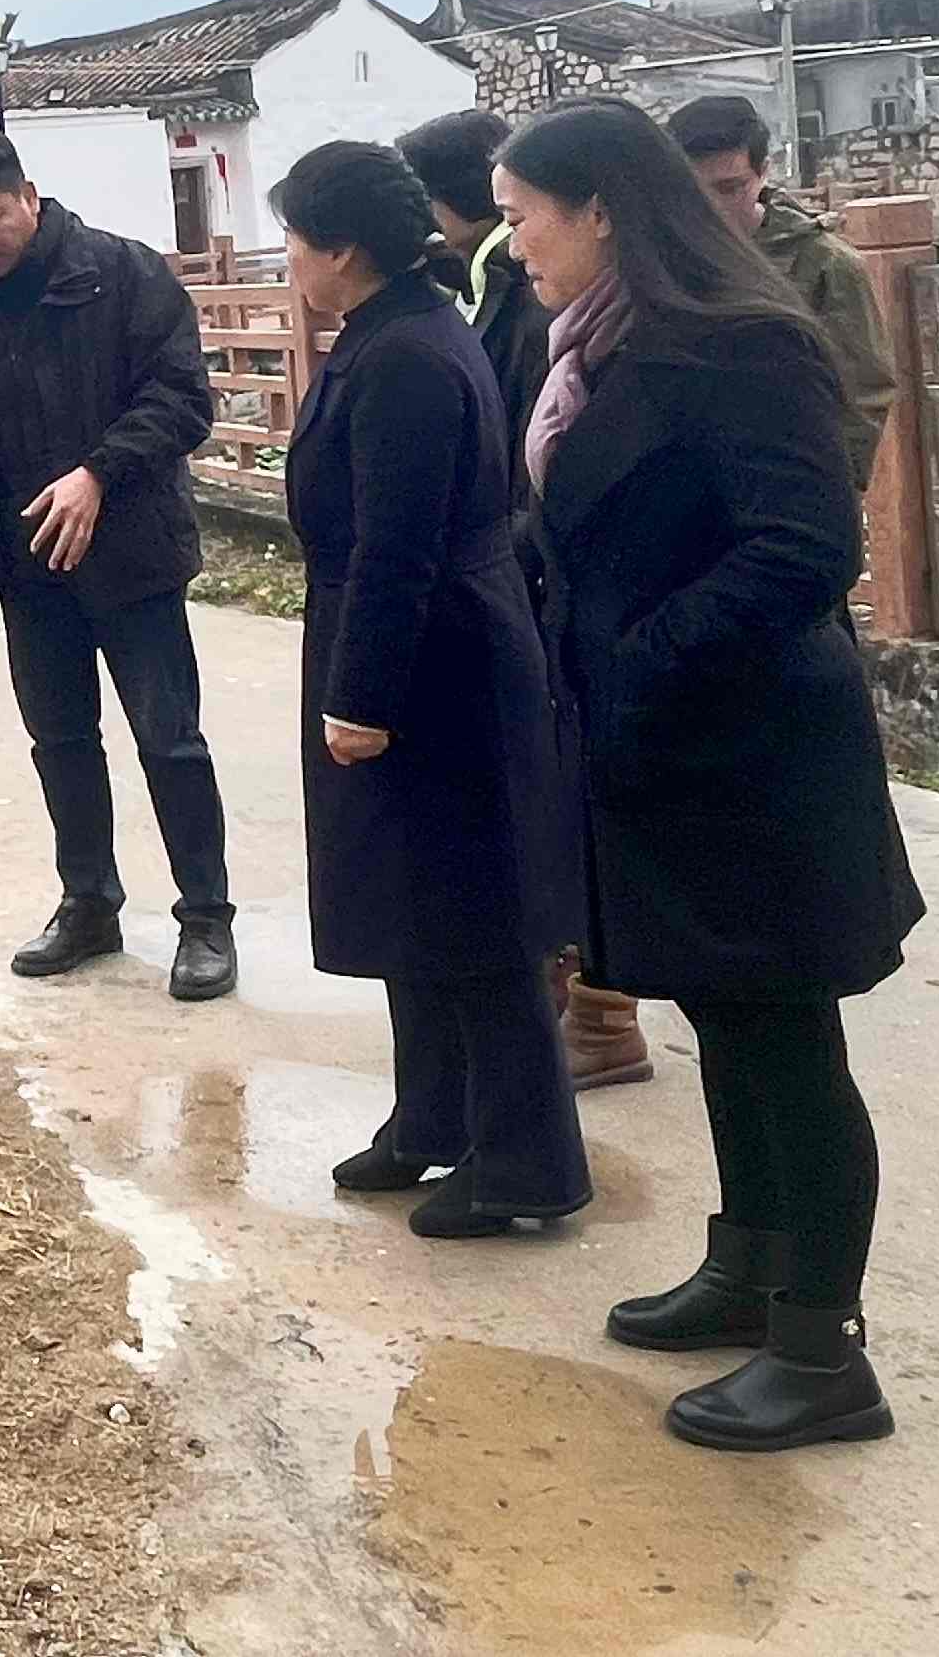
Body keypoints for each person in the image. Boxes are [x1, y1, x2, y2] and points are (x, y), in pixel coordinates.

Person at [498, 98, 926, 1453]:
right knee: (726, 1022)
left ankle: (823, 1351)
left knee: (787, 1041)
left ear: (601, 209)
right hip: (665, 747)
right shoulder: (601, 343)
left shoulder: (742, 342)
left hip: (752, 750)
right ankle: (749, 1266)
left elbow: (802, 547)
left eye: (524, 217)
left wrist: (641, 659)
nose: (513, 244)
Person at [277, 143, 590, 1239]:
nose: (289, 259)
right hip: (409, 639)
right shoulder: (390, 329)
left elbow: (397, 546)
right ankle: (433, 1117)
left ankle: (526, 1162)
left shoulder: (407, 354)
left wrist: (361, 698)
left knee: (471, 914)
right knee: (409, 903)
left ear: (341, 250)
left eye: (295, 239)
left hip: (436, 659)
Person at [0, 130, 238, 1001]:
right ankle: (89, 903)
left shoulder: (123, 274)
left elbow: (182, 399)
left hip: (133, 555)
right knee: (60, 743)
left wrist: (98, 473)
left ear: (28, 194)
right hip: (27, 564)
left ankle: (206, 918)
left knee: (169, 740)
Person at [405, 102, 650, 1091]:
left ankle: (604, 1011)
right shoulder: (523, 299)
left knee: (587, 803)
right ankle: (578, 990)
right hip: (548, 595)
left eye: (523, 215)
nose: (513, 239)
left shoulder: (611, 325)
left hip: (606, 628)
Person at [664, 95, 896, 489]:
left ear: (763, 174)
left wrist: (825, 492)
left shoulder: (825, 266)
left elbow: (863, 397)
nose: (712, 207)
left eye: (730, 188)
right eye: (694, 191)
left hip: (786, 487)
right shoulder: (657, 263)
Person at [395, 107, 551, 481]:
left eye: (423, 197)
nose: (420, 216)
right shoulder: (473, 274)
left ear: (460, 194)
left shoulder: (523, 282)